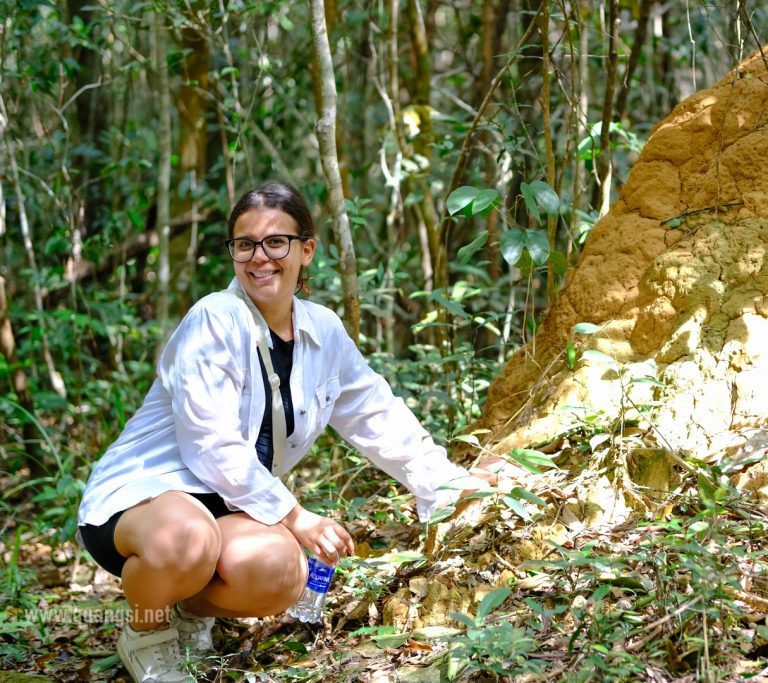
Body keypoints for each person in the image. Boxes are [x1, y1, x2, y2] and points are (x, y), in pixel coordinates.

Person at [77, 181, 498, 683]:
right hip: (145, 499)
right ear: (233, 253)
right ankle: (146, 632)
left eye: (276, 242)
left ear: (306, 249)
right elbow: (209, 444)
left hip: (230, 507)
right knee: (186, 541)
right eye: (245, 244)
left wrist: (447, 484)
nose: (260, 258)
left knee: (281, 572)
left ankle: (189, 614)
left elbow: (376, 414)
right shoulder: (215, 317)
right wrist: (296, 516)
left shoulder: (323, 331)